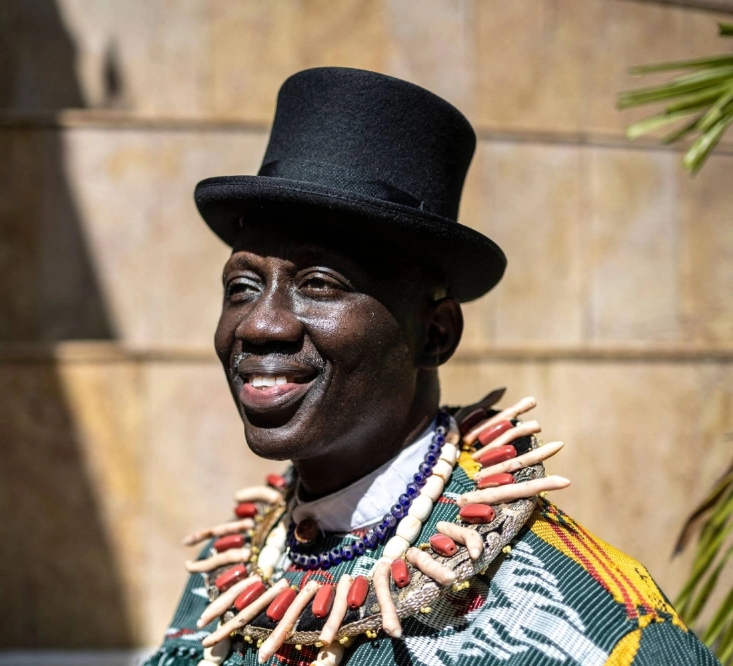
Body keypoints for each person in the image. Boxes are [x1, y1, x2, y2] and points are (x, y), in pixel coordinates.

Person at [144, 68, 716, 666]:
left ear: (435, 334)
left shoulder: (577, 611)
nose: (260, 325)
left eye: (318, 284)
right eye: (241, 286)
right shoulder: (228, 571)